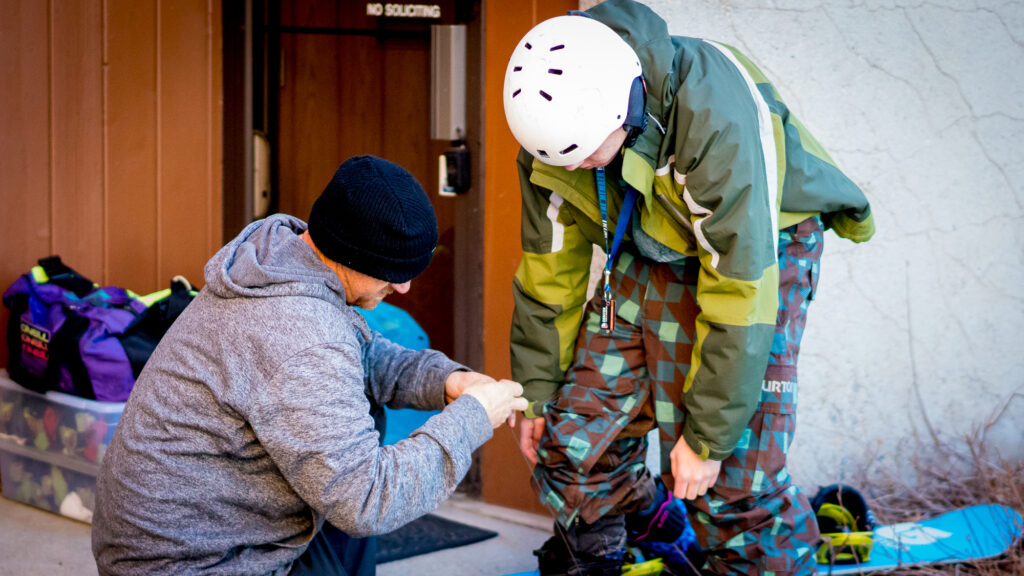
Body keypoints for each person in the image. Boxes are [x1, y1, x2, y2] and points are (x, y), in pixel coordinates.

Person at [503, 1, 875, 575]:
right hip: (652, 237)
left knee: (729, 487)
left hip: (760, 245)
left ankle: (768, 552)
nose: (576, 171)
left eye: (588, 155)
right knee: (571, 444)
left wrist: (706, 440)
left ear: (625, 106)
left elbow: (739, 292)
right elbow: (550, 271)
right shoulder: (552, 139)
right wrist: (535, 388)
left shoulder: (713, 116)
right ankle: (645, 539)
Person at [92, 155, 528, 576]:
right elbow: (368, 498)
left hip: (194, 538)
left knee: (352, 451)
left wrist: (445, 379)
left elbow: (360, 353)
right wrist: (470, 421)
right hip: (197, 565)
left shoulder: (281, 259)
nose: (405, 286)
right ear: (351, 254)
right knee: (355, 497)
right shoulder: (298, 333)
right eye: (393, 272)